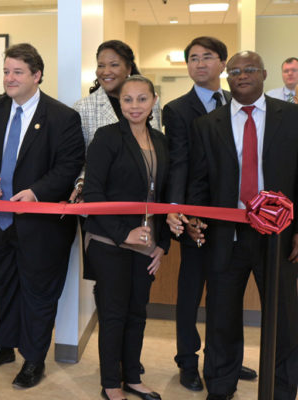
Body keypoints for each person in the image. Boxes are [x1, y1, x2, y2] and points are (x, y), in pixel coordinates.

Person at [172, 50, 298, 400]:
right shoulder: (207, 124)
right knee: (222, 316)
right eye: (236, 71)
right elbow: (198, 179)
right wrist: (196, 216)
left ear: (263, 73)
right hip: (225, 235)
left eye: (250, 69)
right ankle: (221, 386)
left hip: (279, 235)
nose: (242, 75)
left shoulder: (292, 118)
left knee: (285, 318)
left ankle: (283, 390)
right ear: (228, 77)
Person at [0, 43, 84, 389]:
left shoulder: (62, 117)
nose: (9, 78)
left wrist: (35, 192)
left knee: (38, 295)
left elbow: (68, 167)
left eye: (17, 72)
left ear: (37, 75)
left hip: (41, 227)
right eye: (5, 71)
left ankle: (33, 359)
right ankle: (3, 346)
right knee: (4, 288)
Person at [163, 37, 258, 391]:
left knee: (227, 296)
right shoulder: (177, 109)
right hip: (197, 219)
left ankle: (225, 358)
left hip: (235, 219)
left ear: (222, 64)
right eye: (192, 59)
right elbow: (180, 164)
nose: (199, 64)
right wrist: (180, 211)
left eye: (207, 58)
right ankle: (187, 361)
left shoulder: (241, 102)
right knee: (191, 293)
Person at [83, 76, 168, 400]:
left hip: (145, 244)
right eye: (128, 99)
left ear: (154, 100)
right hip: (109, 242)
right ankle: (110, 384)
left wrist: (161, 243)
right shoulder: (107, 137)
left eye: (142, 99)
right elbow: (93, 193)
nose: (135, 106)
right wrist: (124, 232)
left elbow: (161, 196)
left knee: (137, 312)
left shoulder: (160, 140)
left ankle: (133, 377)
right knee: (114, 313)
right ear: (120, 103)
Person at [71, 40, 161, 203]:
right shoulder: (83, 107)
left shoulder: (151, 102)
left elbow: (157, 147)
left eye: (113, 65)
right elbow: (78, 158)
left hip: (145, 198)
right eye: (101, 65)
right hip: (100, 198)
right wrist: (82, 182)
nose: (106, 71)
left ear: (128, 68)